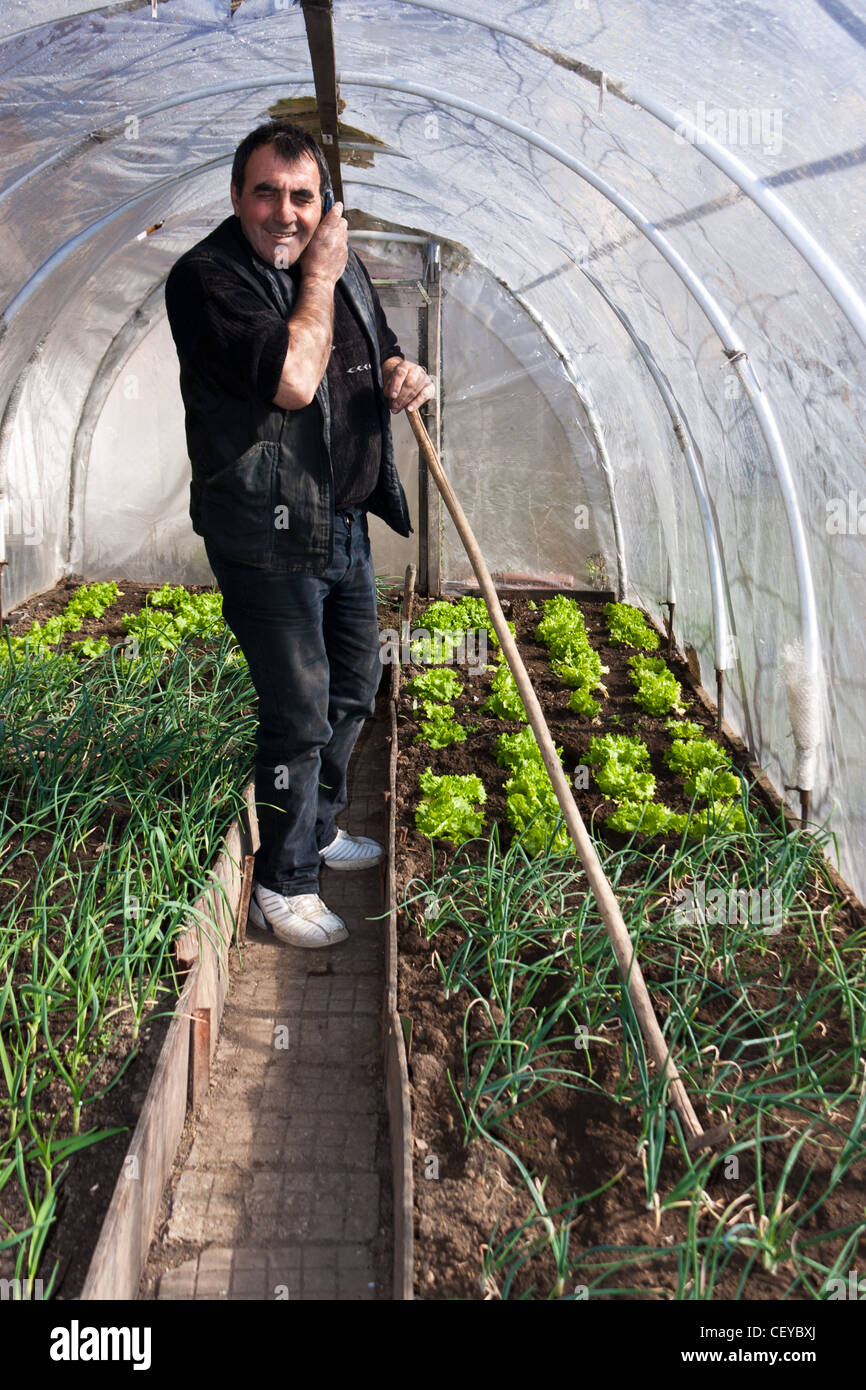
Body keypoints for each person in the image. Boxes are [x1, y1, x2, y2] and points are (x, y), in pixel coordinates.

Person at [165, 120, 435, 948]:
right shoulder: (210, 279)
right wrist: (320, 270)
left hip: (342, 524)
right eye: (266, 193)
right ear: (237, 196)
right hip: (265, 539)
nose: (285, 213)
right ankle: (283, 885)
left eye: (302, 197)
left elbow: (378, 349)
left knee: (355, 688)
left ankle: (315, 827)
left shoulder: (341, 260)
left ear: (324, 202)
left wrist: (403, 373)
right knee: (298, 712)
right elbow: (291, 379)